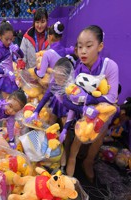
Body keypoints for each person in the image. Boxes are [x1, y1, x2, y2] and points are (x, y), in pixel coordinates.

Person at [61, 25, 119, 181]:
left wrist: (91, 99)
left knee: (99, 136)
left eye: (88, 46)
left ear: (100, 46)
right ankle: (72, 158)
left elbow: (112, 97)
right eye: (80, 47)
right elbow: (69, 97)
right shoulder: (78, 70)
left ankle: (88, 161)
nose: (83, 51)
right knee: (80, 135)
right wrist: (83, 107)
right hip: (84, 112)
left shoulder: (110, 66)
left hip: (103, 113)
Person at [0, 20, 24, 99]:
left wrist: (18, 49)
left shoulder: (10, 45)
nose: (9, 42)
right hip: (4, 78)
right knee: (8, 102)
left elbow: (21, 56)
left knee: (14, 99)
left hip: (11, 76)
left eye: (11, 39)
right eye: (6, 39)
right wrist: (6, 71)